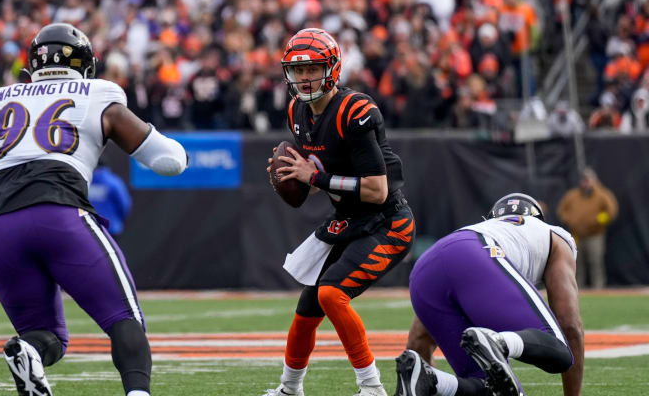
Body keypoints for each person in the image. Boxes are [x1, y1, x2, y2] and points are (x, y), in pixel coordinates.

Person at [0, 23, 188, 396]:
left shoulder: (0, 99)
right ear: (86, 65)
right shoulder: (98, 93)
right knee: (125, 318)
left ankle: (29, 353)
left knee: (44, 335)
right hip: (58, 209)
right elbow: (168, 161)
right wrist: (175, 148)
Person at [263, 28, 414, 396]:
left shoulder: (356, 111)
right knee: (307, 307)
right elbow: (321, 177)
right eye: (297, 71)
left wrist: (314, 176)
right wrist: (297, 177)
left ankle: (372, 387)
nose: (304, 77)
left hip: (387, 222)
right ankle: (289, 389)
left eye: (312, 68)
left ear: (332, 68)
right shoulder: (297, 111)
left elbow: (377, 191)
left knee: (331, 294)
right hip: (348, 220)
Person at [394, 193, 583, 396]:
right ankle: (499, 342)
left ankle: (432, 380)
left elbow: (417, 340)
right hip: (477, 251)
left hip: (427, 266)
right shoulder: (553, 235)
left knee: (496, 389)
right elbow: (570, 326)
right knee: (561, 353)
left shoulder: (486, 229)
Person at [557, 168, 618, 289]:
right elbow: (561, 211)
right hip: (576, 235)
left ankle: (598, 289)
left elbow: (612, 211)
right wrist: (569, 219)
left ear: (594, 180)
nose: (586, 183)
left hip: (594, 235)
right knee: (577, 264)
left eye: (589, 180)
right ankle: (577, 290)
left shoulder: (602, 195)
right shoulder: (572, 195)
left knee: (595, 263)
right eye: (584, 180)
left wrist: (599, 220)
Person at [89, 161, 133, 242]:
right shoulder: (113, 181)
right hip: (111, 228)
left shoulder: (84, 182)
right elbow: (124, 205)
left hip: (89, 229)